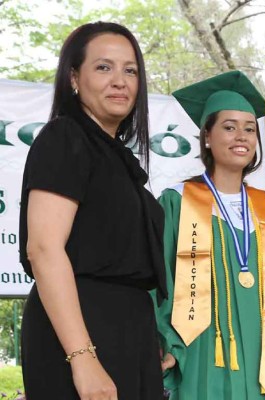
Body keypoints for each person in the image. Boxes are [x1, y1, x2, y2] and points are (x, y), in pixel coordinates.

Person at [19, 22, 167, 400]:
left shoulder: (120, 161)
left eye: (130, 70)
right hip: (81, 334)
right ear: (73, 78)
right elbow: (44, 249)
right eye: (104, 67)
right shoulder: (65, 138)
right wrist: (82, 357)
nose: (120, 81)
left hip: (130, 333)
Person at [152, 70, 265, 400]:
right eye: (229, 127)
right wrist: (166, 343)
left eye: (249, 129)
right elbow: (160, 280)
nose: (241, 136)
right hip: (207, 345)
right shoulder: (177, 201)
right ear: (207, 137)